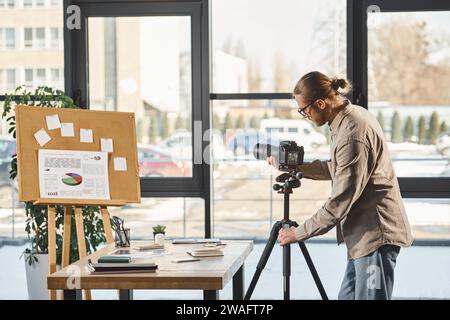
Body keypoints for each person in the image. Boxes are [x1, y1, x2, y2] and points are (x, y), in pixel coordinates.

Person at [269, 71, 413, 300]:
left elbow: (340, 201)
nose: (304, 116)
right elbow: (337, 167)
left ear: (320, 103)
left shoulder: (352, 132)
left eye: (304, 110)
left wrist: (298, 233)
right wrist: (297, 168)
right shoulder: (347, 119)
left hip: (375, 236)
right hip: (362, 239)